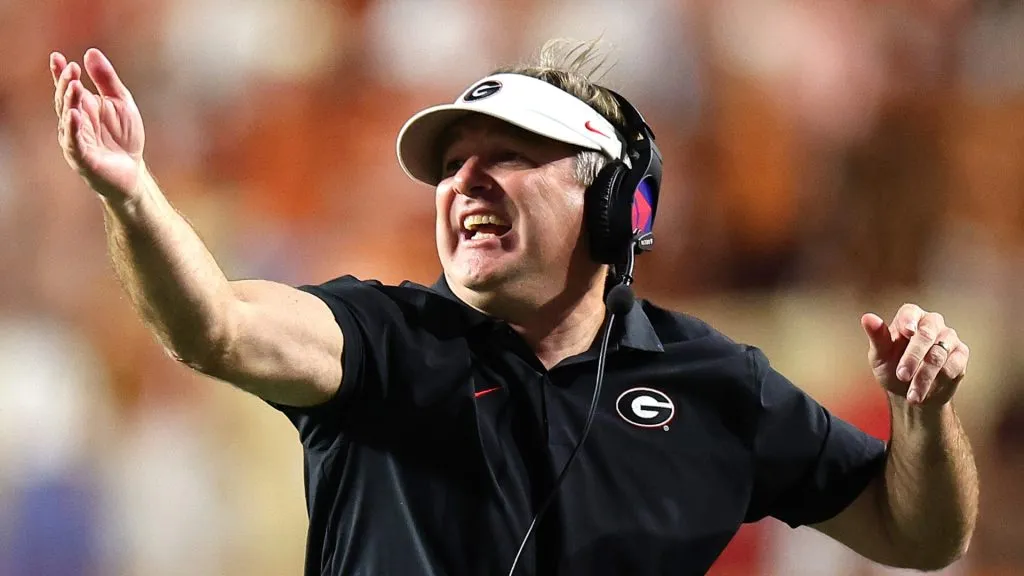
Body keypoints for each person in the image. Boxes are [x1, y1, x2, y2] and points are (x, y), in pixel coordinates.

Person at [50, 39, 978, 576]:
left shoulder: (717, 384)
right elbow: (212, 324)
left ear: (616, 207)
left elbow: (921, 535)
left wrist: (923, 418)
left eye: (508, 156)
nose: (465, 182)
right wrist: (132, 195)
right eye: (452, 165)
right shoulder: (383, 341)